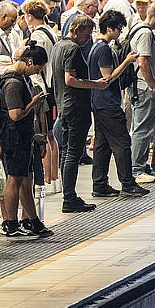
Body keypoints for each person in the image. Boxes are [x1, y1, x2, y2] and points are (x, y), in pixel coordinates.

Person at [0, 42, 53, 239]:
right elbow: (15, 114)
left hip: (21, 138)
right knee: (15, 179)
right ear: (30, 61)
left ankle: (32, 220)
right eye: (37, 68)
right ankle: (10, 222)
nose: (37, 73)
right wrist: (33, 103)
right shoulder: (13, 83)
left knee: (25, 179)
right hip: (14, 137)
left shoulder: (18, 80)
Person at [88, 10, 150, 197]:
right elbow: (108, 78)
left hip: (98, 102)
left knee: (102, 145)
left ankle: (99, 184)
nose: (120, 33)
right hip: (108, 103)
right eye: (118, 29)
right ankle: (128, 183)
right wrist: (127, 62)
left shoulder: (95, 47)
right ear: (109, 28)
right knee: (123, 142)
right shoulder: (104, 49)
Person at [51, 14, 109, 213]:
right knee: (72, 154)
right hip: (75, 106)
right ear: (75, 31)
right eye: (85, 35)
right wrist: (96, 85)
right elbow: (70, 79)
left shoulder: (58, 46)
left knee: (68, 152)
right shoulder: (73, 49)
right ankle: (69, 197)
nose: (87, 39)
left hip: (64, 105)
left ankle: (70, 195)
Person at [23, 0, 61, 195]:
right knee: (51, 135)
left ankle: (47, 178)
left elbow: (35, 62)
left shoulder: (38, 35)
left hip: (40, 88)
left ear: (29, 16)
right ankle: (55, 178)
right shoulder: (51, 31)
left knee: (43, 135)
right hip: (51, 86)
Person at [129, 3, 155, 184]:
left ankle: (141, 165)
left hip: (139, 87)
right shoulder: (145, 33)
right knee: (142, 129)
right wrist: (153, 84)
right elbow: (142, 61)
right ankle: (136, 169)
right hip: (144, 88)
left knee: (142, 128)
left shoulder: (136, 28)